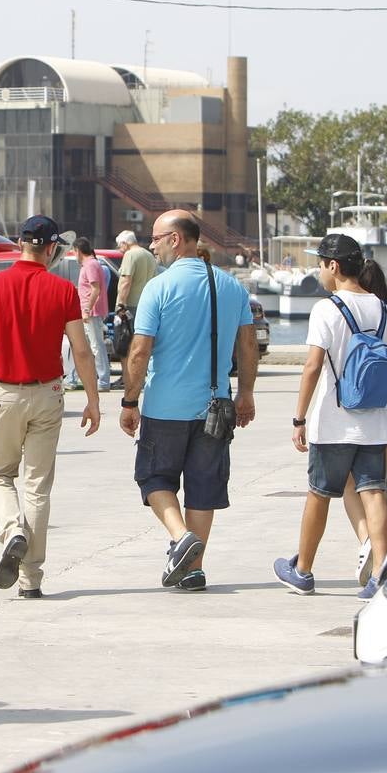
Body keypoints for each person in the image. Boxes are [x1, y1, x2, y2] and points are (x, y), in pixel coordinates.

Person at [0, 215, 100, 599]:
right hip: (48, 395)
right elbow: (81, 350)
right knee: (37, 487)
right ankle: (31, 579)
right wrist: (93, 401)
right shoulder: (63, 290)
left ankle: (11, 529)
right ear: (51, 249)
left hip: (5, 395)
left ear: (19, 243)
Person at [119, 211, 258, 592]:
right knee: (203, 487)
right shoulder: (231, 286)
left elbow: (139, 351)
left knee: (153, 477)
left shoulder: (158, 288)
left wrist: (130, 400)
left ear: (176, 240)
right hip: (215, 407)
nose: (152, 245)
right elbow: (247, 345)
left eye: (156, 238)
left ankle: (180, 538)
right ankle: (193, 569)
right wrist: (245, 393)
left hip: (165, 406)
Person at [275, 233, 387, 600]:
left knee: (319, 494)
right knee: (374, 492)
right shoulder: (380, 306)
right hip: (374, 420)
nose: (319, 269)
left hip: (333, 421)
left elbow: (313, 366)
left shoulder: (326, 309)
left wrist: (299, 418)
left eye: (320, 262)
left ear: (333, 266)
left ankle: (302, 571)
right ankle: (380, 572)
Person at [344, 260, 387, 586]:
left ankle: (367, 541)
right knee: (377, 489)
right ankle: (375, 545)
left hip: (370, 412)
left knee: (349, 485)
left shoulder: (361, 315)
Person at [74, 238, 112, 392]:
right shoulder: (92, 264)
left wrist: (87, 309)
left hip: (91, 312)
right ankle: (94, 378)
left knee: (96, 346)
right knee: (90, 346)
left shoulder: (90, 265)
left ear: (78, 250)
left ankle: (103, 381)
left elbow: (95, 289)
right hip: (91, 311)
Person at [115, 229, 156, 317]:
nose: (120, 250)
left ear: (124, 243)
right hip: (147, 302)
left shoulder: (130, 254)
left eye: (119, 246)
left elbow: (126, 282)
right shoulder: (149, 255)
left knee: (126, 330)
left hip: (131, 304)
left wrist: (121, 304)